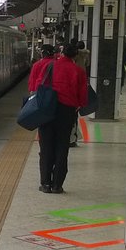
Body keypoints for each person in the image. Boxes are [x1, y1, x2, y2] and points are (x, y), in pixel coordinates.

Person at [34, 42, 88, 194]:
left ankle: (45, 184)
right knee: (62, 147)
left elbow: (39, 85)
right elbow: (83, 97)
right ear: (75, 56)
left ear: (62, 53)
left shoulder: (49, 66)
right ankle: (57, 185)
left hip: (47, 110)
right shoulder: (78, 71)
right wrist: (77, 105)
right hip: (67, 112)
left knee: (45, 147)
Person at [69, 40, 91, 147]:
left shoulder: (74, 58)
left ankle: (70, 139)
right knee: (74, 117)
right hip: (82, 78)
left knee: (69, 118)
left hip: (72, 88)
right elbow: (88, 64)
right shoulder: (86, 54)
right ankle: (74, 138)